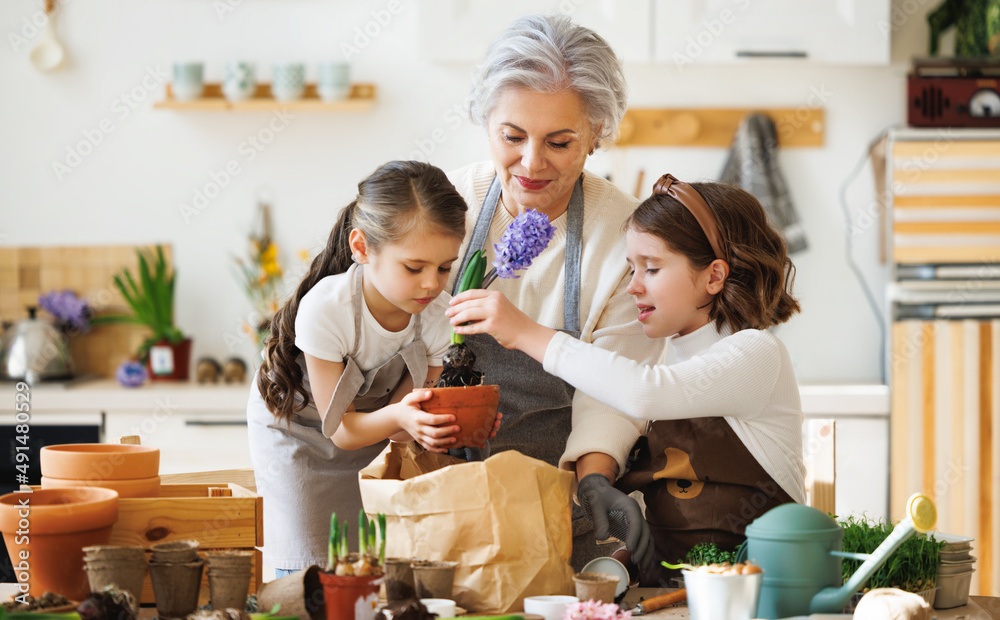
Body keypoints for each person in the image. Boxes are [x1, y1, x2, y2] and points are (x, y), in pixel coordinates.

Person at [447, 174, 807, 585]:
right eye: (631, 268)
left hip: (761, 595)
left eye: (651, 268)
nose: (633, 286)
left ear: (713, 277)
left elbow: (644, 392)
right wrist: (623, 537)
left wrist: (527, 333)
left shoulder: (757, 354)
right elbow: (628, 406)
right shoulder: (676, 365)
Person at [447, 13, 665, 568]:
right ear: (486, 123)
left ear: (597, 135)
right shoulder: (446, 208)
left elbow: (613, 379)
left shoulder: (625, 234)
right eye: (512, 137)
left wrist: (596, 479)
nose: (531, 163)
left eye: (560, 142)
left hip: (562, 503)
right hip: (445, 499)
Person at [247, 161, 481, 577]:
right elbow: (340, 429)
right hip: (299, 428)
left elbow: (396, 424)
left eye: (445, 267)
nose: (432, 284)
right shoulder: (328, 309)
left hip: (372, 429)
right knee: (312, 569)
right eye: (414, 267)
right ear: (362, 248)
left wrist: (451, 421)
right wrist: (405, 415)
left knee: (373, 567)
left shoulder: (437, 316)